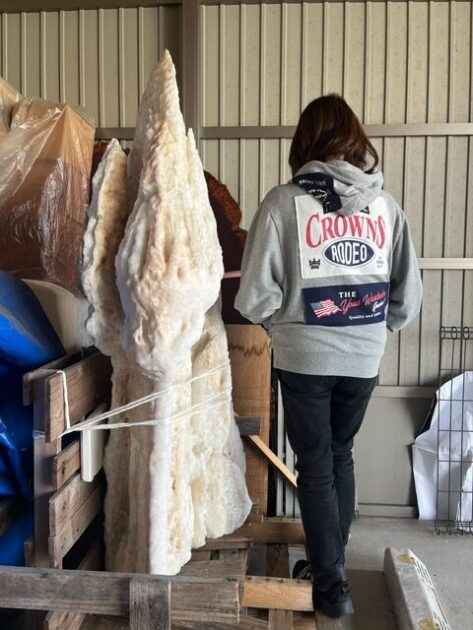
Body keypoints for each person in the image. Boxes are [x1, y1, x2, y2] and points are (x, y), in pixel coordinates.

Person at [235, 94, 422, 618]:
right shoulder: (386, 208)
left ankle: (331, 585)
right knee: (341, 455)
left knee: (315, 466)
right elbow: (408, 298)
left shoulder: (283, 204)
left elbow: (253, 297)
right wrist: (373, 330)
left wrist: (281, 323)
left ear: (306, 142)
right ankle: (331, 568)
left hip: (304, 358)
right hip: (363, 360)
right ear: (354, 140)